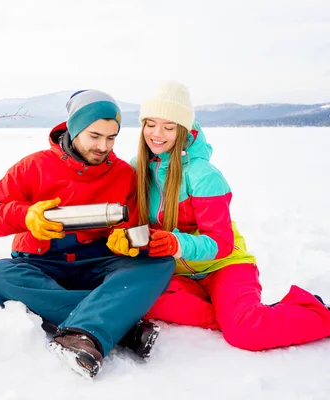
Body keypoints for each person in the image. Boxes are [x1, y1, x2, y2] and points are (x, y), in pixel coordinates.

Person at [107, 81, 330, 351]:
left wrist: (177, 244)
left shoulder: (204, 176)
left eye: (169, 127)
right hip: (176, 272)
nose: (157, 134)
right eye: (151, 124)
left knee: (244, 333)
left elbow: (221, 242)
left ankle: (314, 313)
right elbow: (131, 217)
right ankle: (238, 314)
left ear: (183, 129)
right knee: (138, 300)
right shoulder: (138, 167)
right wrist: (123, 235)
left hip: (222, 266)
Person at [0, 90, 176, 378]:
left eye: (111, 137)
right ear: (74, 129)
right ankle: (118, 323)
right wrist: (26, 215)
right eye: (95, 135)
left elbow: (133, 225)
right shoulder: (34, 167)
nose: (103, 146)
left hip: (97, 261)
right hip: (40, 261)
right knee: (1, 274)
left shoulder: (123, 175)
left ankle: (82, 330)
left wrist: (126, 238)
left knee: (160, 263)